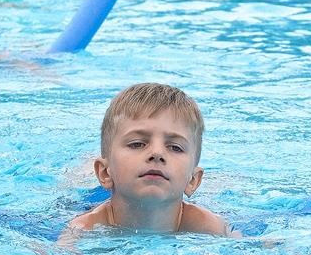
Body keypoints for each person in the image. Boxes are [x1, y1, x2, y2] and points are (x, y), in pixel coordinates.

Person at [62, 83, 237, 238]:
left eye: (175, 147)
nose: (157, 153)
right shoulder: (84, 228)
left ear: (193, 180)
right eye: (137, 144)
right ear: (104, 173)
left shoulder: (209, 227)